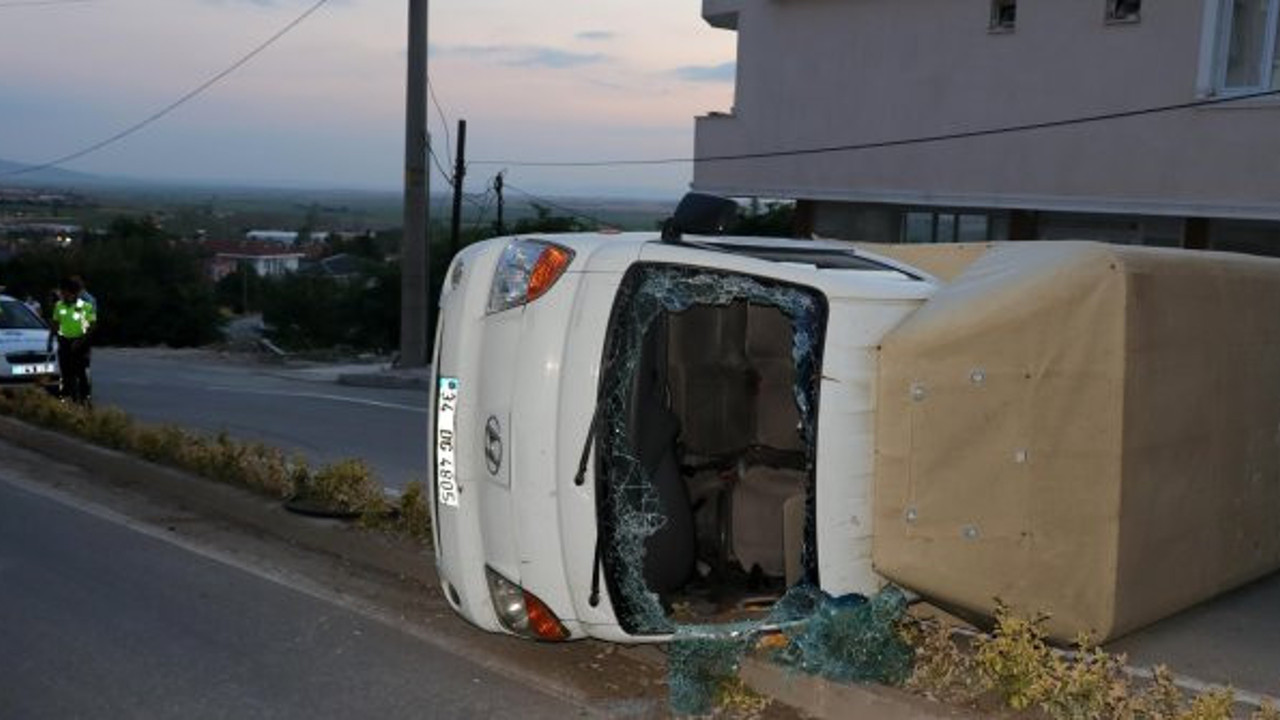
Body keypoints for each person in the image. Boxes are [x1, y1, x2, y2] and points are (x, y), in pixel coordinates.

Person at [47, 277, 96, 405]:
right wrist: (50, 340)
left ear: (71, 292)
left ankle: (84, 400)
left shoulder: (85, 306)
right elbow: (55, 323)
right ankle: (69, 399)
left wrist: (80, 341)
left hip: (80, 344)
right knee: (66, 373)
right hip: (64, 342)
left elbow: (90, 326)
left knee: (81, 373)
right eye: (61, 293)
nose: (61, 295)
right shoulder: (59, 305)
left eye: (64, 292)